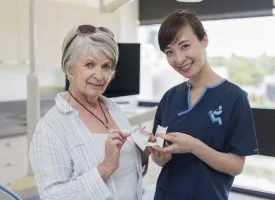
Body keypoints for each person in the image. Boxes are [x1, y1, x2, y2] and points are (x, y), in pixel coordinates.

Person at [29, 24, 148, 200]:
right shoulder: (50, 129)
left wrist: (142, 153)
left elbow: (126, 177)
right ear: (70, 67)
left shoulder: (114, 111)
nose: (99, 76)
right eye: (90, 64)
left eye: (106, 66)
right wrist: (105, 167)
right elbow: (53, 197)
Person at [150, 10, 258, 200]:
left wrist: (195, 147)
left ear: (204, 40)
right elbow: (159, 155)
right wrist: (160, 157)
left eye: (184, 46)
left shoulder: (235, 98)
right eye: (169, 52)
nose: (178, 59)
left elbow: (236, 166)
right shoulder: (169, 98)